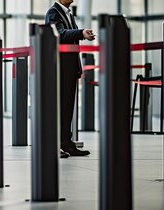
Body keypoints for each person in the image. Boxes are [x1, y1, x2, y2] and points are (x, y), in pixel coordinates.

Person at [46, 0, 92, 158]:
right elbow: (59, 34)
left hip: (69, 69)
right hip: (61, 69)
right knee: (59, 107)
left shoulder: (67, 13)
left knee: (67, 107)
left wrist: (82, 34)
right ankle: (54, 144)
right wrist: (81, 32)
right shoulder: (53, 13)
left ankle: (66, 142)